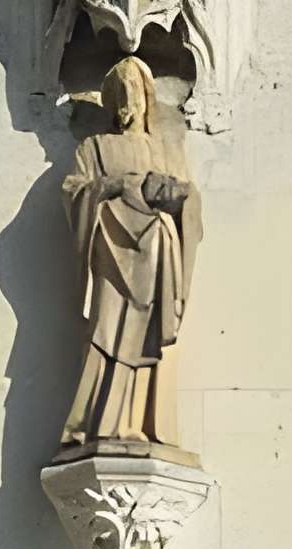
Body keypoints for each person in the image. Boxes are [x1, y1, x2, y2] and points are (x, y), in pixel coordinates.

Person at [59, 54, 202, 457]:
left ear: (147, 97)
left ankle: (142, 422)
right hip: (111, 256)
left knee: (147, 338)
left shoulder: (165, 148)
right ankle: (99, 423)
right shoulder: (95, 148)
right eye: (118, 94)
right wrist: (114, 186)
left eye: (133, 92)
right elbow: (74, 192)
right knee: (107, 332)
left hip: (156, 258)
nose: (127, 102)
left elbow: (188, 201)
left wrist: (173, 196)